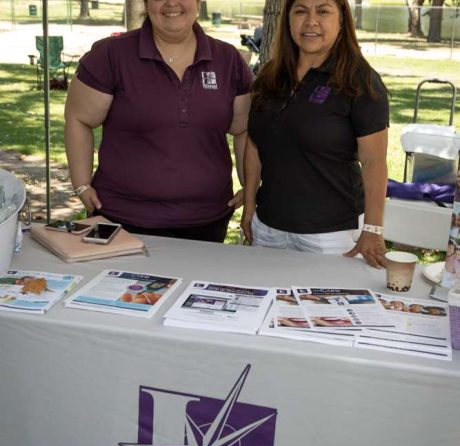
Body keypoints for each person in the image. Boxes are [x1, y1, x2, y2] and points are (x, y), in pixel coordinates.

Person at [64, 0, 253, 243]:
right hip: (122, 219)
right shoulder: (111, 55)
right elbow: (78, 117)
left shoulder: (228, 60)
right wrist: (81, 184)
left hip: (207, 221)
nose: (171, 3)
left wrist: (249, 186)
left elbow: (244, 129)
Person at [241, 0, 389, 268]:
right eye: (300, 11)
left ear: (342, 19)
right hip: (268, 228)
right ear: (288, 19)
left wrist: (373, 229)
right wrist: (249, 205)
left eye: (323, 11)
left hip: (331, 235)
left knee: (324, 312)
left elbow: (374, 162)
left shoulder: (360, 81)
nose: (311, 22)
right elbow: (254, 144)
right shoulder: (270, 76)